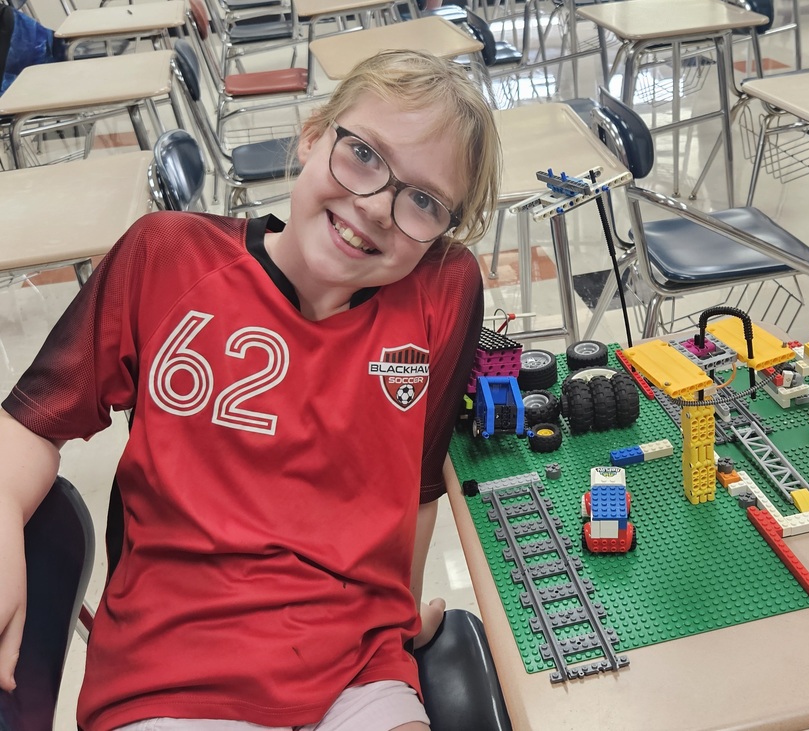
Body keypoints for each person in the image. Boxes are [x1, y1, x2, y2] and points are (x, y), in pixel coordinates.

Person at [0, 49, 501, 731]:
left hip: (356, 671)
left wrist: (401, 611)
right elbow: (29, 423)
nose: (376, 207)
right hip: (172, 677)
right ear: (313, 133)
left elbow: (415, 486)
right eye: (362, 155)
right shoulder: (166, 258)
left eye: (422, 201)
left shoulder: (441, 290)